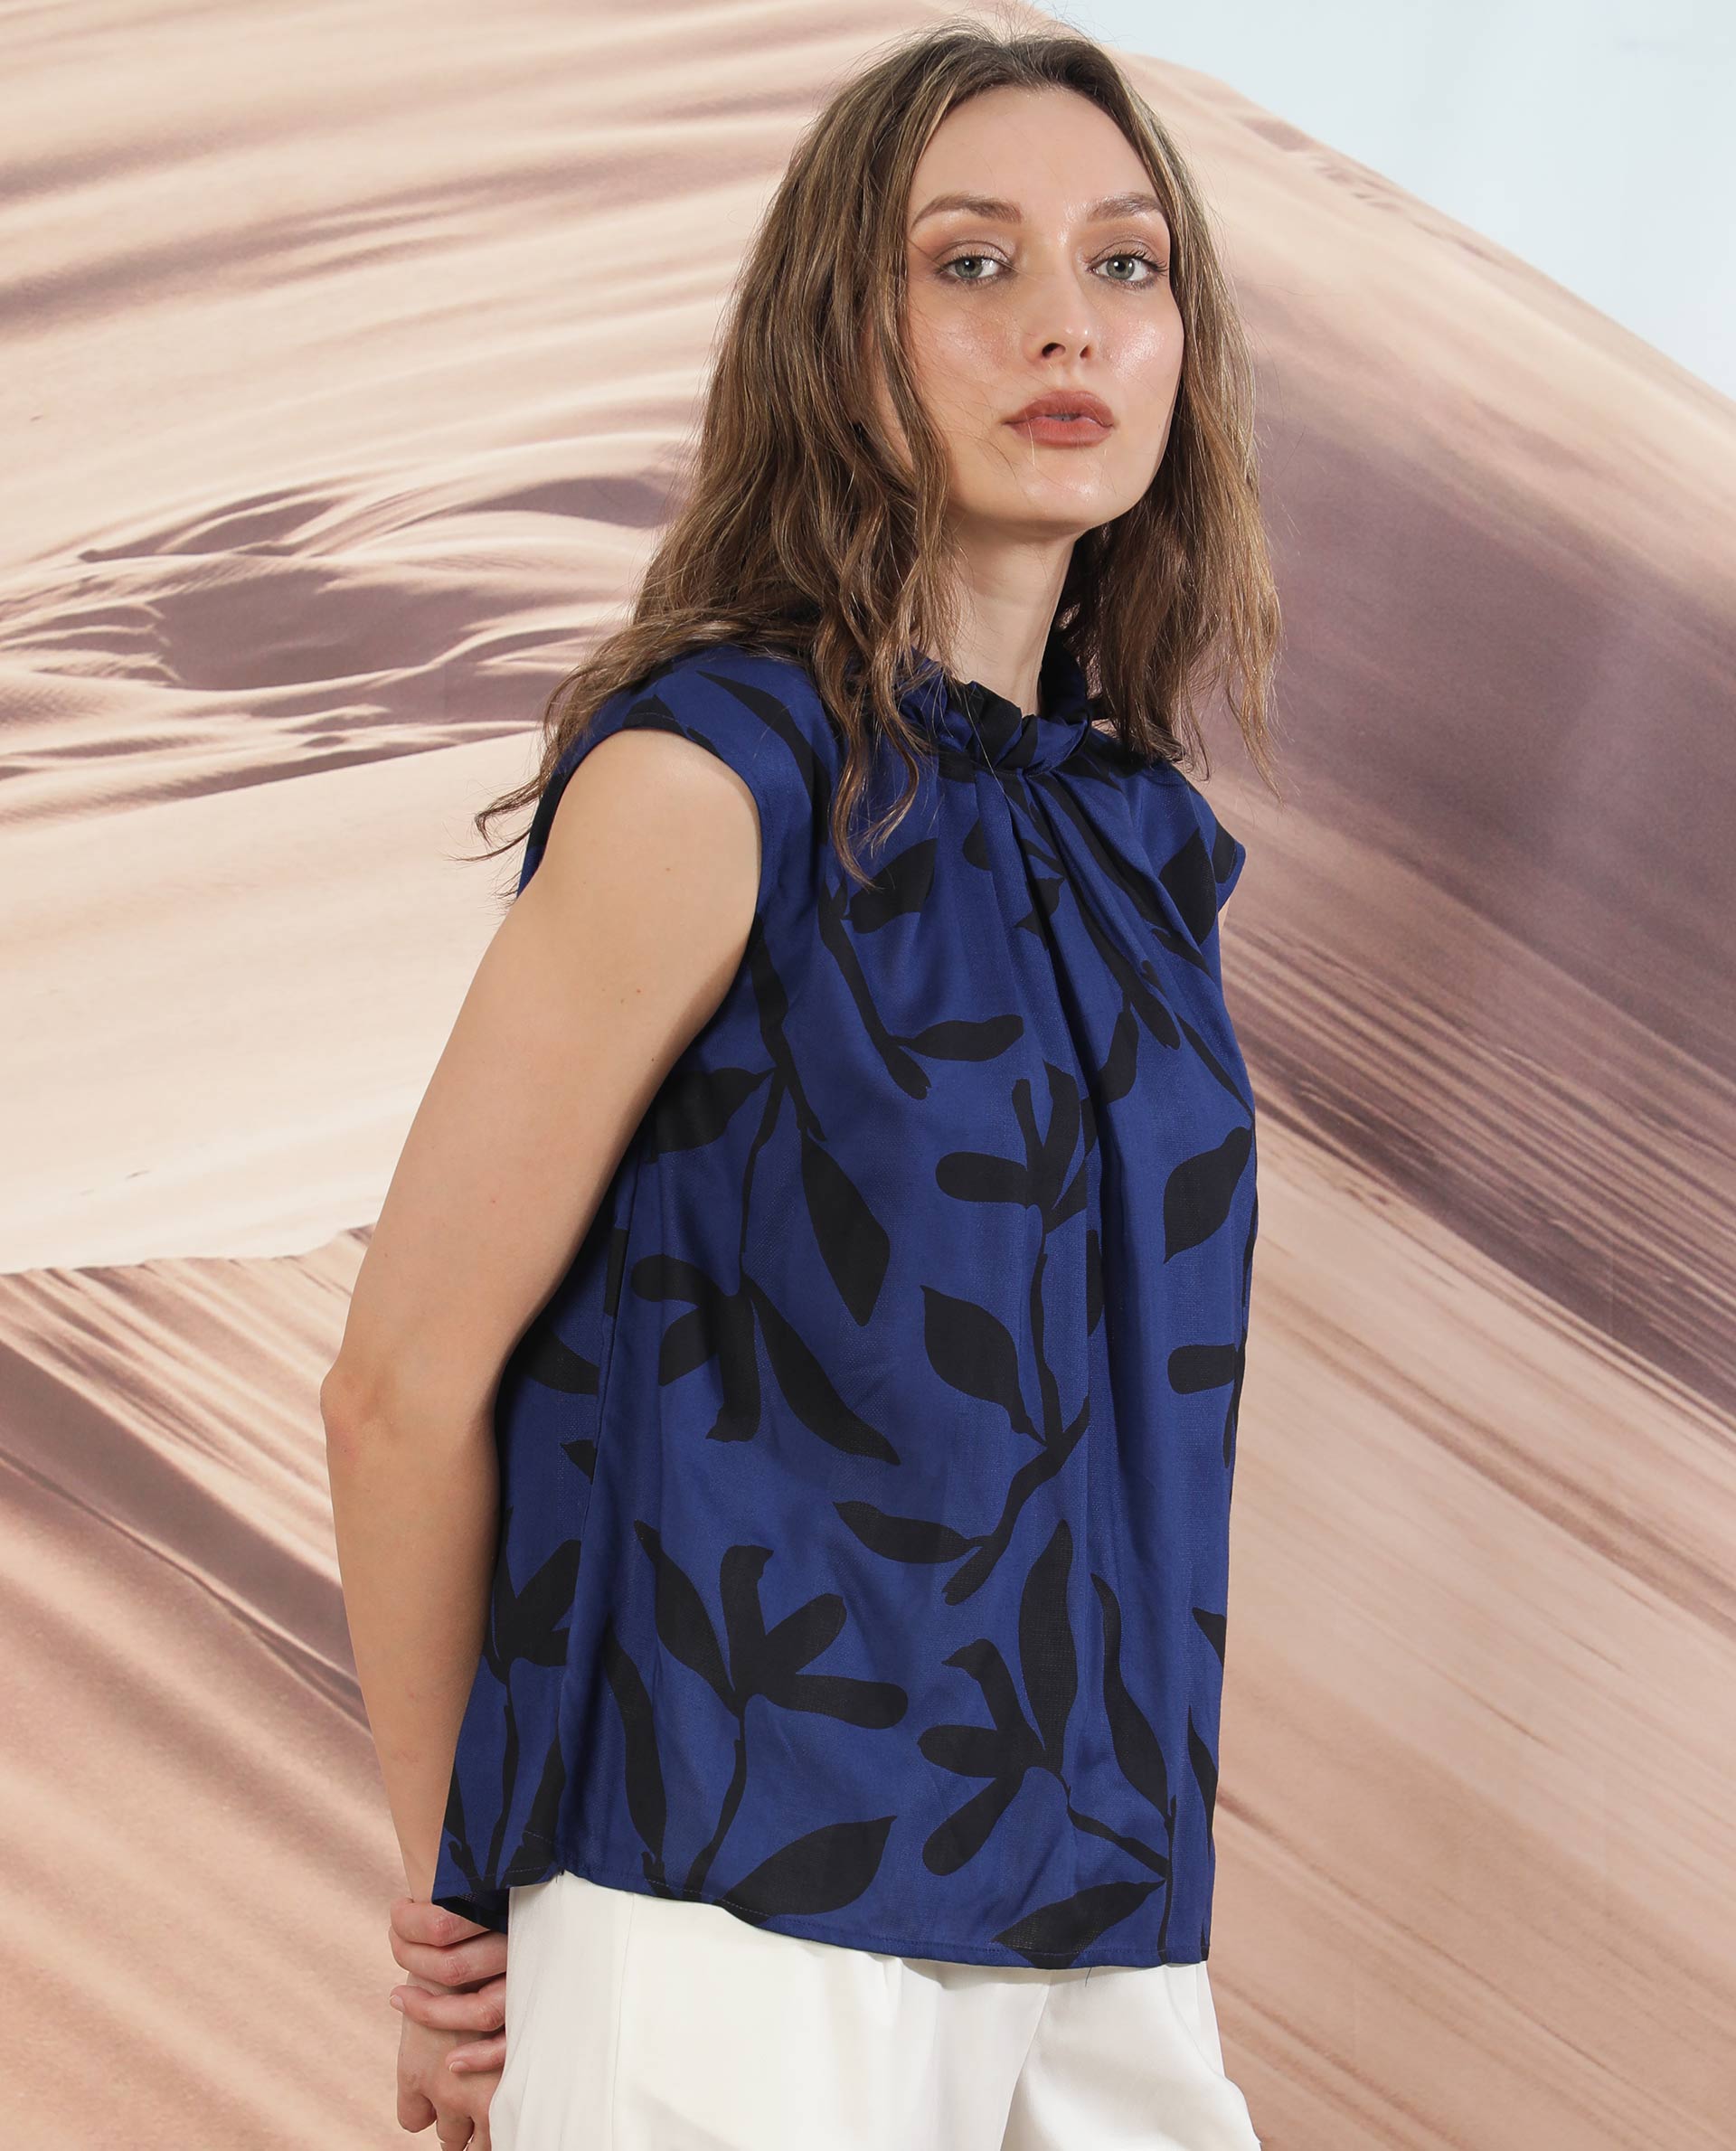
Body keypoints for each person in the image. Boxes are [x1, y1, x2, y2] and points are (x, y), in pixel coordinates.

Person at [322, 20, 1281, 2149]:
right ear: (843, 335)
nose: (1066, 322)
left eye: (1127, 264)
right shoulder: (712, 778)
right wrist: (466, 1901)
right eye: (973, 261)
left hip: (1102, 1913)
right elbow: (399, 1380)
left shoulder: (1134, 847)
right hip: (728, 1915)